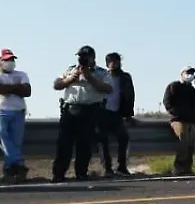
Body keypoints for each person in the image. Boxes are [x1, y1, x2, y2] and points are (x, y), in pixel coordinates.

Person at [52, 45, 113, 182]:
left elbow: (108, 88)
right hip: (70, 110)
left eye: (85, 57)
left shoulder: (101, 73)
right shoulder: (70, 69)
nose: (82, 59)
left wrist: (89, 77)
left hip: (90, 111)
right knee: (64, 143)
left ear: (92, 58)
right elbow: (57, 85)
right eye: (80, 57)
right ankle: (58, 174)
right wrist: (71, 78)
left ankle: (81, 173)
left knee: (84, 145)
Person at [0, 49, 32, 182]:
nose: (10, 62)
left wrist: (6, 87)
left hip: (18, 112)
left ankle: (10, 172)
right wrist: (17, 88)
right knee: (0, 133)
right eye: (6, 60)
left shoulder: (22, 74)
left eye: (12, 59)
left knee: (15, 143)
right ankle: (19, 164)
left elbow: (27, 91)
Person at [163, 66, 195, 175]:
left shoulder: (192, 89)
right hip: (178, 120)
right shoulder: (174, 86)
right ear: (182, 74)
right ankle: (178, 168)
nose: (190, 75)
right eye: (188, 73)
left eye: (192, 73)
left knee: (190, 144)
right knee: (183, 140)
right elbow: (167, 102)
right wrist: (177, 113)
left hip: (191, 121)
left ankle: (187, 168)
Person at [99, 52, 136, 177]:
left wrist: (128, 114)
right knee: (103, 140)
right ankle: (107, 168)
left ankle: (122, 167)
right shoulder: (102, 76)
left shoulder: (125, 77)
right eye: (111, 61)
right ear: (107, 63)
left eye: (116, 61)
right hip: (103, 113)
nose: (114, 64)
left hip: (117, 113)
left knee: (123, 137)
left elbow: (130, 96)